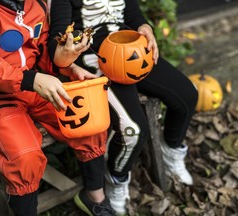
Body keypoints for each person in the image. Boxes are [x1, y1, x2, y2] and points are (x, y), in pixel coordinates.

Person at [0, 0, 116, 215]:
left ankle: (94, 199)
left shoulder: (35, 5)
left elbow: (43, 52)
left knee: (87, 122)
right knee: (25, 157)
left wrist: (70, 67)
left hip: (39, 87)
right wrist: (31, 80)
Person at [47, 0, 198, 215]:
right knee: (133, 130)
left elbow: (134, 16)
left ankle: (172, 149)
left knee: (187, 95)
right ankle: (116, 179)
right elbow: (57, 41)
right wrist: (69, 57)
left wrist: (145, 28)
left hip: (132, 50)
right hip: (94, 58)